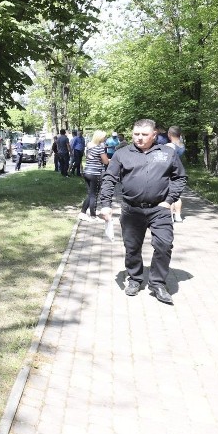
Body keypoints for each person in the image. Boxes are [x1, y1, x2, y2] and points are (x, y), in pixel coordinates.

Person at [99, 119, 187, 304]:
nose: (139, 138)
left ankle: (158, 283)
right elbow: (109, 179)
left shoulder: (167, 152)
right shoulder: (122, 154)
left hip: (159, 209)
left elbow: (179, 177)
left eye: (144, 134)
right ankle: (135, 278)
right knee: (132, 248)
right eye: (136, 134)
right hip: (132, 210)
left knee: (164, 245)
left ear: (154, 135)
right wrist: (105, 204)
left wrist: (169, 200)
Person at [78, 130, 110, 222]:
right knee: (94, 195)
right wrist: (108, 160)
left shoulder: (88, 146)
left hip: (87, 171)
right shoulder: (99, 148)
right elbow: (105, 161)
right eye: (104, 137)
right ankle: (93, 215)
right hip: (95, 173)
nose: (105, 139)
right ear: (100, 138)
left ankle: (83, 213)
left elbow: (91, 158)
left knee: (90, 194)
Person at [166, 126, 186, 223]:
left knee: (169, 194)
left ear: (169, 134)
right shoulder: (182, 145)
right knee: (177, 195)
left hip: (169, 171)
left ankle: (170, 216)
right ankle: (178, 216)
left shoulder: (170, 146)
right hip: (179, 170)